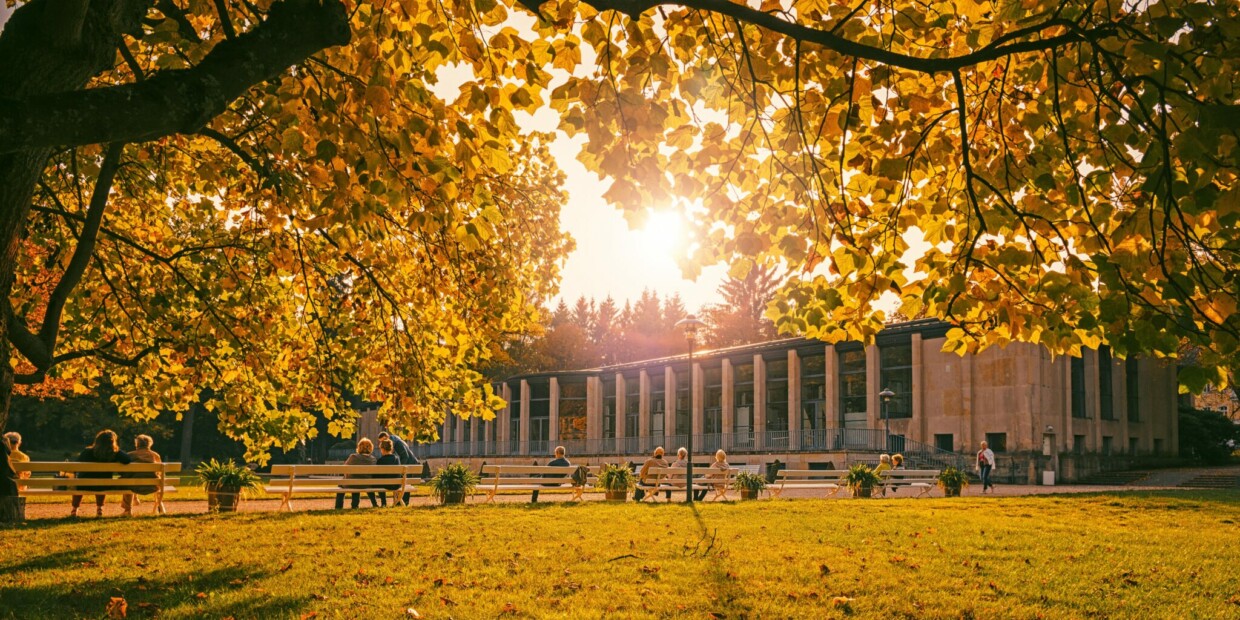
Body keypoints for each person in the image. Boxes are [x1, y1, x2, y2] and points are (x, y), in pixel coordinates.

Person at [71, 430, 132, 517]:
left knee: (80, 482)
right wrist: (116, 449)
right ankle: (99, 508)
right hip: (104, 485)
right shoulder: (114, 452)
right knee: (102, 481)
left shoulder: (87, 451)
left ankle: (74, 509)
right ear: (113, 441)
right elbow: (127, 460)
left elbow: (77, 464)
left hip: (84, 485)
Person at [119, 434, 162, 515]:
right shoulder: (155, 455)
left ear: (137, 444)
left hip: (133, 486)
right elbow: (159, 472)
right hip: (153, 486)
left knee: (127, 481)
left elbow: (124, 471)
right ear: (150, 444)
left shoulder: (130, 455)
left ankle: (127, 510)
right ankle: (160, 506)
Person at [335, 438, 378, 510]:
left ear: (359, 447)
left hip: (351, 484)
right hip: (367, 484)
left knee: (343, 484)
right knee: (359, 480)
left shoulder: (353, 457)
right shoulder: (373, 459)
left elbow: (344, 469)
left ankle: (338, 507)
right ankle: (373, 504)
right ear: (371, 447)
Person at [377, 431, 418, 504]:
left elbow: (405, 456)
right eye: (381, 441)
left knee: (405, 482)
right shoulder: (394, 442)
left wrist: (400, 469)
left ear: (387, 437)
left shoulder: (397, 443)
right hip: (406, 465)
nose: (383, 443)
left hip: (409, 463)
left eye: (383, 440)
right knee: (402, 482)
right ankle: (400, 502)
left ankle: (404, 502)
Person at [374, 438, 401, 507]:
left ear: (382, 449)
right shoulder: (397, 459)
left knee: (380, 481)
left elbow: (376, 476)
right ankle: (397, 502)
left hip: (384, 485)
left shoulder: (380, 460)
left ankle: (383, 502)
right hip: (396, 484)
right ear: (391, 448)